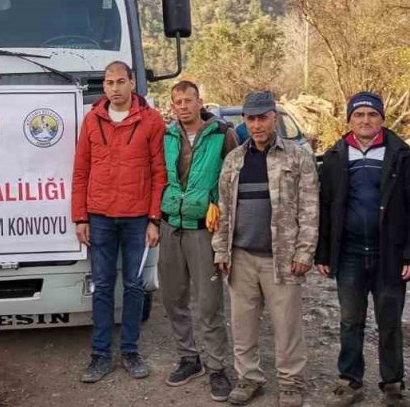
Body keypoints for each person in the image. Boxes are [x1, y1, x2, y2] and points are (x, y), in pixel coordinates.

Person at [315, 92, 410, 407]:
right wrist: (322, 253)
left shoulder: (403, 156)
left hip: (389, 254)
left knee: (389, 321)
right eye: (359, 114)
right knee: (350, 320)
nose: (365, 120)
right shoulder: (336, 156)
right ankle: (350, 380)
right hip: (349, 253)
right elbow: (326, 207)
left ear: (382, 119)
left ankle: (392, 383)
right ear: (349, 119)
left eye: (372, 115)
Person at [212, 91, 319, 407]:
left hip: (281, 258)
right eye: (250, 119)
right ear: (244, 121)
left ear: (274, 117)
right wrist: (221, 251)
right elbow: (224, 208)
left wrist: (304, 252)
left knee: (287, 326)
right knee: (243, 326)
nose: (256, 125)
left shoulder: (297, 156)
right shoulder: (234, 160)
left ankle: (290, 384)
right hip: (241, 257)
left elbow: (310, 208)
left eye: (262, 118)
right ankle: (249, 379)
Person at [72, 61, 168, 384]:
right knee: (101, 286)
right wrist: (80, 217)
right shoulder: (91, 121)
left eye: (120, 82)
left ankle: (130, 351)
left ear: (131, 83)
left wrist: (154, 219)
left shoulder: (151, 121)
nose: (114, 88)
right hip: (99, 217)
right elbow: (80, 172)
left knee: (133, 285)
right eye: (109, 82)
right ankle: (100, 355)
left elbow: (159, 174)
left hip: (137, 218)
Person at [158, 81, 236, 401]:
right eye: (177, 101)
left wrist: (226, 222)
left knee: (208, 303)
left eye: (188, 100)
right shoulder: (167, 136)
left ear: (200, 101)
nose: (183, 106)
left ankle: (217, 367)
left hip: (204, 228)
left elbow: (234, 178)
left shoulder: (222, 135)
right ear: (173, 105)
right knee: (174, 298)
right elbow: (158, 175)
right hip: (170, 225)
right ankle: (190, 358)